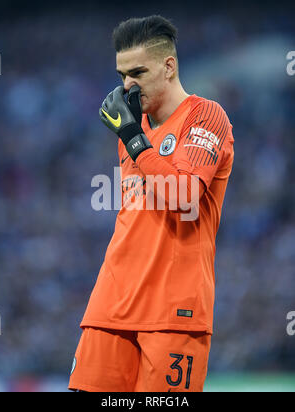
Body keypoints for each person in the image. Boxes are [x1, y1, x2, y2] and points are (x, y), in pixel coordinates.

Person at [68, 15, 234, 392]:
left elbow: (184, 196)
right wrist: (132, 134)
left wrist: (132, 137)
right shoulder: (132, 129)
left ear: (169, 66)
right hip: (110, 304)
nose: (128, 84)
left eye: (138, 72)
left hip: (173, 312)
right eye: (122, 74)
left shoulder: (206, 116)